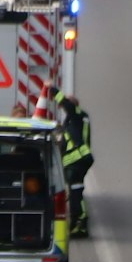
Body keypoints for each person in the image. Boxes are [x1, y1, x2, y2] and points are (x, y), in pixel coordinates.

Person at [50, 86, 93, 236]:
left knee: (75, 192)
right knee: (77, 191)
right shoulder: (77, 119)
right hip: (80, 159)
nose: (63, 107)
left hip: (76, 160)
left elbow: (67, 105)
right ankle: (79, 221)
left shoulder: (76, 114)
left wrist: (52, 90)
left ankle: (79, 223)